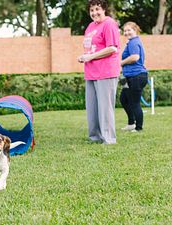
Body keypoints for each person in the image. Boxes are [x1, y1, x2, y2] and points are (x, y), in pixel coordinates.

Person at [77, 0, 120, 144]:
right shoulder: (90, 27)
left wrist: (90, 56)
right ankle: (94, 136)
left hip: (106, 71)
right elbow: (91, 47)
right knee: (92, 107)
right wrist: (85, 56)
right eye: (91, 10)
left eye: (97, 9)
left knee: (105, 107)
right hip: (91, 71)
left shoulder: (109, 24)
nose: (94, 13)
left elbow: (112, 48)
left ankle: (108, 138)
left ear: (104, 9)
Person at [120, 21, 148, 132]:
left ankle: (139, 128)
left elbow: (135, 57)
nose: (126, 32)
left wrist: (121, 63)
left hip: (136, 77)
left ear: (135, 30)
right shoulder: (131, 42)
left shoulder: (134, 42)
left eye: (129, 30)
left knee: (134, 102)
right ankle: (131, 123)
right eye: (125, 30)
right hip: (129, 76)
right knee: (124, 99)